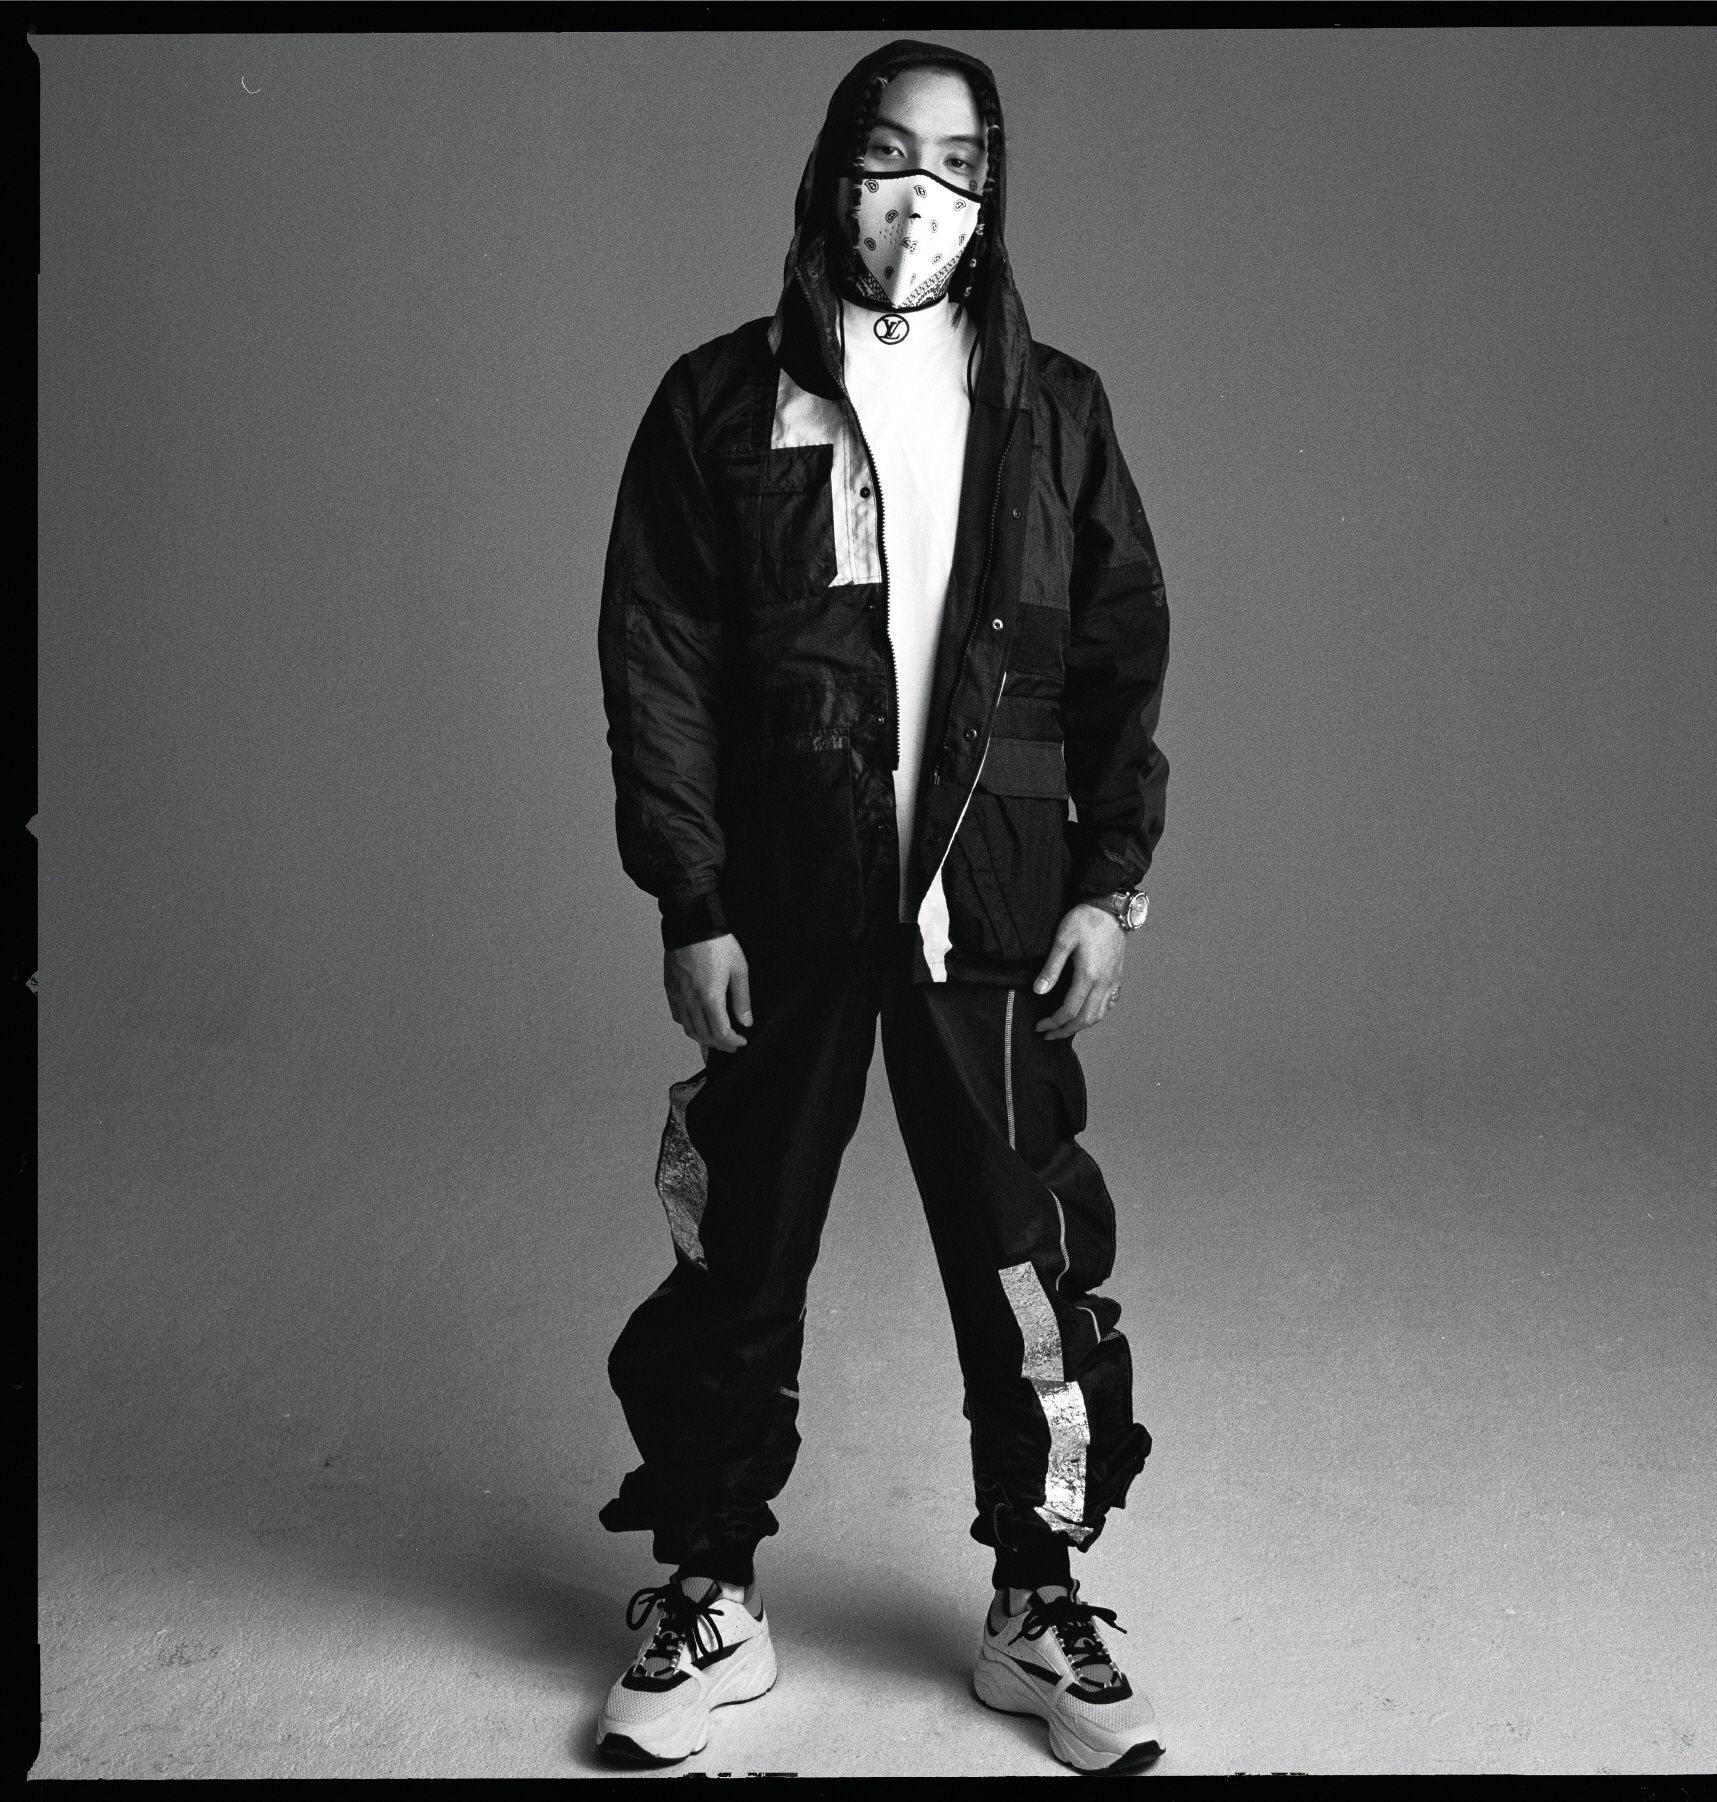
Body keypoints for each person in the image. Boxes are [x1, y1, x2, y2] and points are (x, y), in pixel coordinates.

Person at [592, 39, 1170, 1776]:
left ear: (993, 192)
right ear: (830, 168)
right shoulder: (719, 401)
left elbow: (1119, 656)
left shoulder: (1053, 409)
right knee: (740, 1251)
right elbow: (658, 663)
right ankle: (708, 1583)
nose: (920, 196)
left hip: (993, 914)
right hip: (783, 906)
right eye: (887, 154)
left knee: (1026, 1262)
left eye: (959, 162)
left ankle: (1037, 1593)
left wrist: (1111, 884)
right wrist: (692, 897)